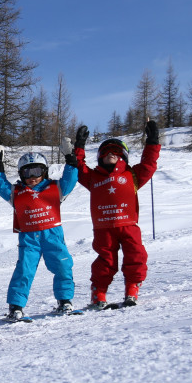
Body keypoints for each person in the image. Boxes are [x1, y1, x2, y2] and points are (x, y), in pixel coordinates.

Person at [74, 120, 160, 308]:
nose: (111, 154)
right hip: (103, 228)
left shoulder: (133, 175)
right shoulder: (93, 177)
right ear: (99, 157)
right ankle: (98, 294)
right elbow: (78, 168)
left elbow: (149, 164)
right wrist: (79, 147)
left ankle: (132, 289)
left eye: (116, 151)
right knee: (105, 262)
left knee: (136, 256)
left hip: (128, 225)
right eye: (106, 152)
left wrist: (152, 142)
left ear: (124, 156)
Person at [0, 141, 78, 322]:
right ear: (21, 174)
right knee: (24, 270)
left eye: (37, 172)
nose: (32, 177)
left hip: (52, 237)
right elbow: (1, 185)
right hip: (29, 239)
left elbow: (70, 180)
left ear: (44, 172)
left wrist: (70, 158)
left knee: (63, 266)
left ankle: (65, 301)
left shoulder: (55, 189)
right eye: (27, 173)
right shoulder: (17, 192)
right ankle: (16, 307)